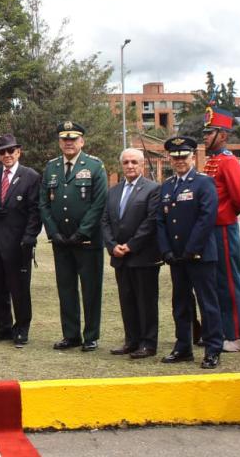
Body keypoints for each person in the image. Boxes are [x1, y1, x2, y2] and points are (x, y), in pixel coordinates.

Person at [39, 121, 107, 352]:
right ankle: (71, 335)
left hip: (87, 241)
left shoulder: (95, 166)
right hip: (61, 241)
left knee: (91, 289)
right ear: (59, 142)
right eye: (64, 139)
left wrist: (82, 232)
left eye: (73, 139)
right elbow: (44, 203)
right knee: (66, 289)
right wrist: (53, 232)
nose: (69, 143)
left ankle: (91, 336)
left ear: (82, 141)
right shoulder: (51, 168)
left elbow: (99, 203)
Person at [157, 136, 223, 369]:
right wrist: (166, 250)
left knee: (208, 304)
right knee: (181, 304)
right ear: (170, 159)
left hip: (199, 256)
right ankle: (183, 346)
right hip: (176, 258)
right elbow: (161, 222)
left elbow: (206, 220)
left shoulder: (203, 183)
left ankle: (213, 349)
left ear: (193, 157)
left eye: (183, 156)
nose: (179, 161)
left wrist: (190, 250)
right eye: (175, 157)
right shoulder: (166, 186)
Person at [0, 134, 41, 348]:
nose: (6, 155)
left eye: (10, 151)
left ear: (18, 151)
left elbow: (35, 211)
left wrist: (29, 238)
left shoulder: (30, 176)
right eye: (2, 152)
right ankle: (2, 326)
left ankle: (21, 329)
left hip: (18, 243)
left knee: (19, 289)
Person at [100, 148, 162, 359]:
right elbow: (105, 221)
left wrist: (131, 245)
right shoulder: (114, 191)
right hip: (120, 257)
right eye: (126, 162)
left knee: (146, 301)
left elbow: (151, 221)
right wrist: (112, 246)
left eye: (134, 162)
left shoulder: (153, 189)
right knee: (127, 301)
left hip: (143, 256)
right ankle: (131, 340)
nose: (130, 166)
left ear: (142, 164)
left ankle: (148, 343)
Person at [202, 106, 240, 352]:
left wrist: (224, 216)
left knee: (229, 280)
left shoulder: (229, 162)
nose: (205, 137)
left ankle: (237, 336)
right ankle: (221, 331)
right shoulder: (213, 160)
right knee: (215, 281)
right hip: (211, 230)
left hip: (223, 229)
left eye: (210, 132)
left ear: (222, 134)